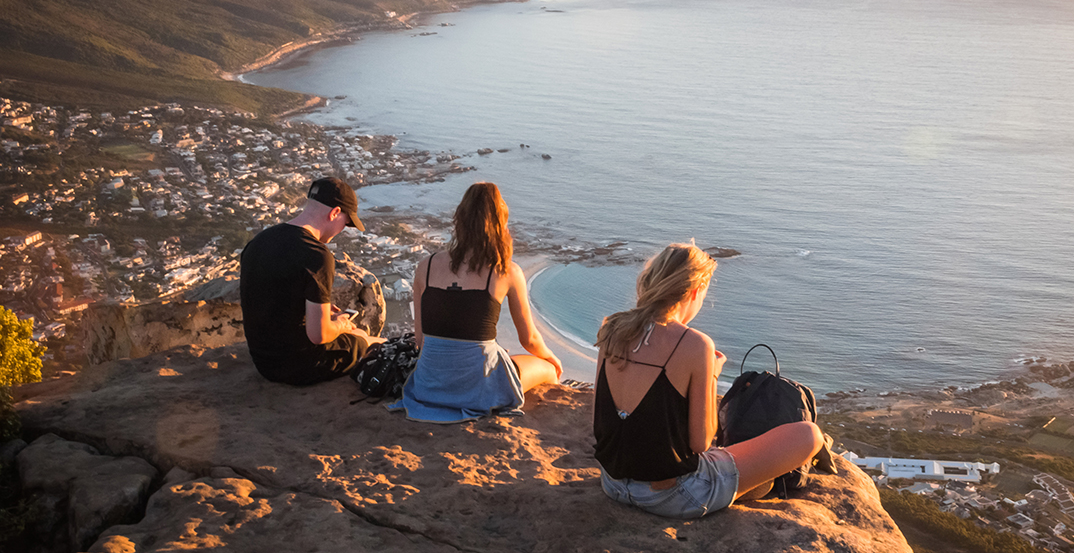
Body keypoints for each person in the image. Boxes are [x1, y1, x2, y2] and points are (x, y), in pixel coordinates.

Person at [593, 243, 825, 520]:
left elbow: (599, 416)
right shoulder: (694, 344)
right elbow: (702, 442)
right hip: (673, 496)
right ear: (694, 291)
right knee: (808, 435)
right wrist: (711, 374)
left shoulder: (611, 329)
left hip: (613, 484)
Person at [389, 182, 562, 422]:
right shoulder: (506, 271)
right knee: (549, 370)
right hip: (480, 389)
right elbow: (529, 339)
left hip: (429, 386)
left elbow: (421, 341)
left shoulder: (425, 267)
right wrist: (552, 357)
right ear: (501, 223)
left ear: (459, 219)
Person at [240, 177, 381, 385]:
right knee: (372, 342)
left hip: (263, 362)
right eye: (346, 222)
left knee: (355, 333)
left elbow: (276, 300)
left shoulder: (259, 241)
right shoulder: (317, 255)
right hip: (299, 365)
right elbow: (319, 335)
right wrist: (341, 324)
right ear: (334, 213)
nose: (343, 229)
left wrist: (315, 311)